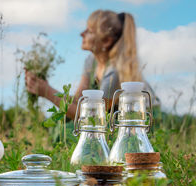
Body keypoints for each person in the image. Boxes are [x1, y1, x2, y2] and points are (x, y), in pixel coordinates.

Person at [25, 10, 158, 120]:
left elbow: (90, 118)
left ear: (106, 41)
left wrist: (47, 92)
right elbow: (79, 101)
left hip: (145, 121)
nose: (81, 34)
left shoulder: (115, 74)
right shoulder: (91, 61)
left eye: (89, 31)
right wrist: (42, 85)